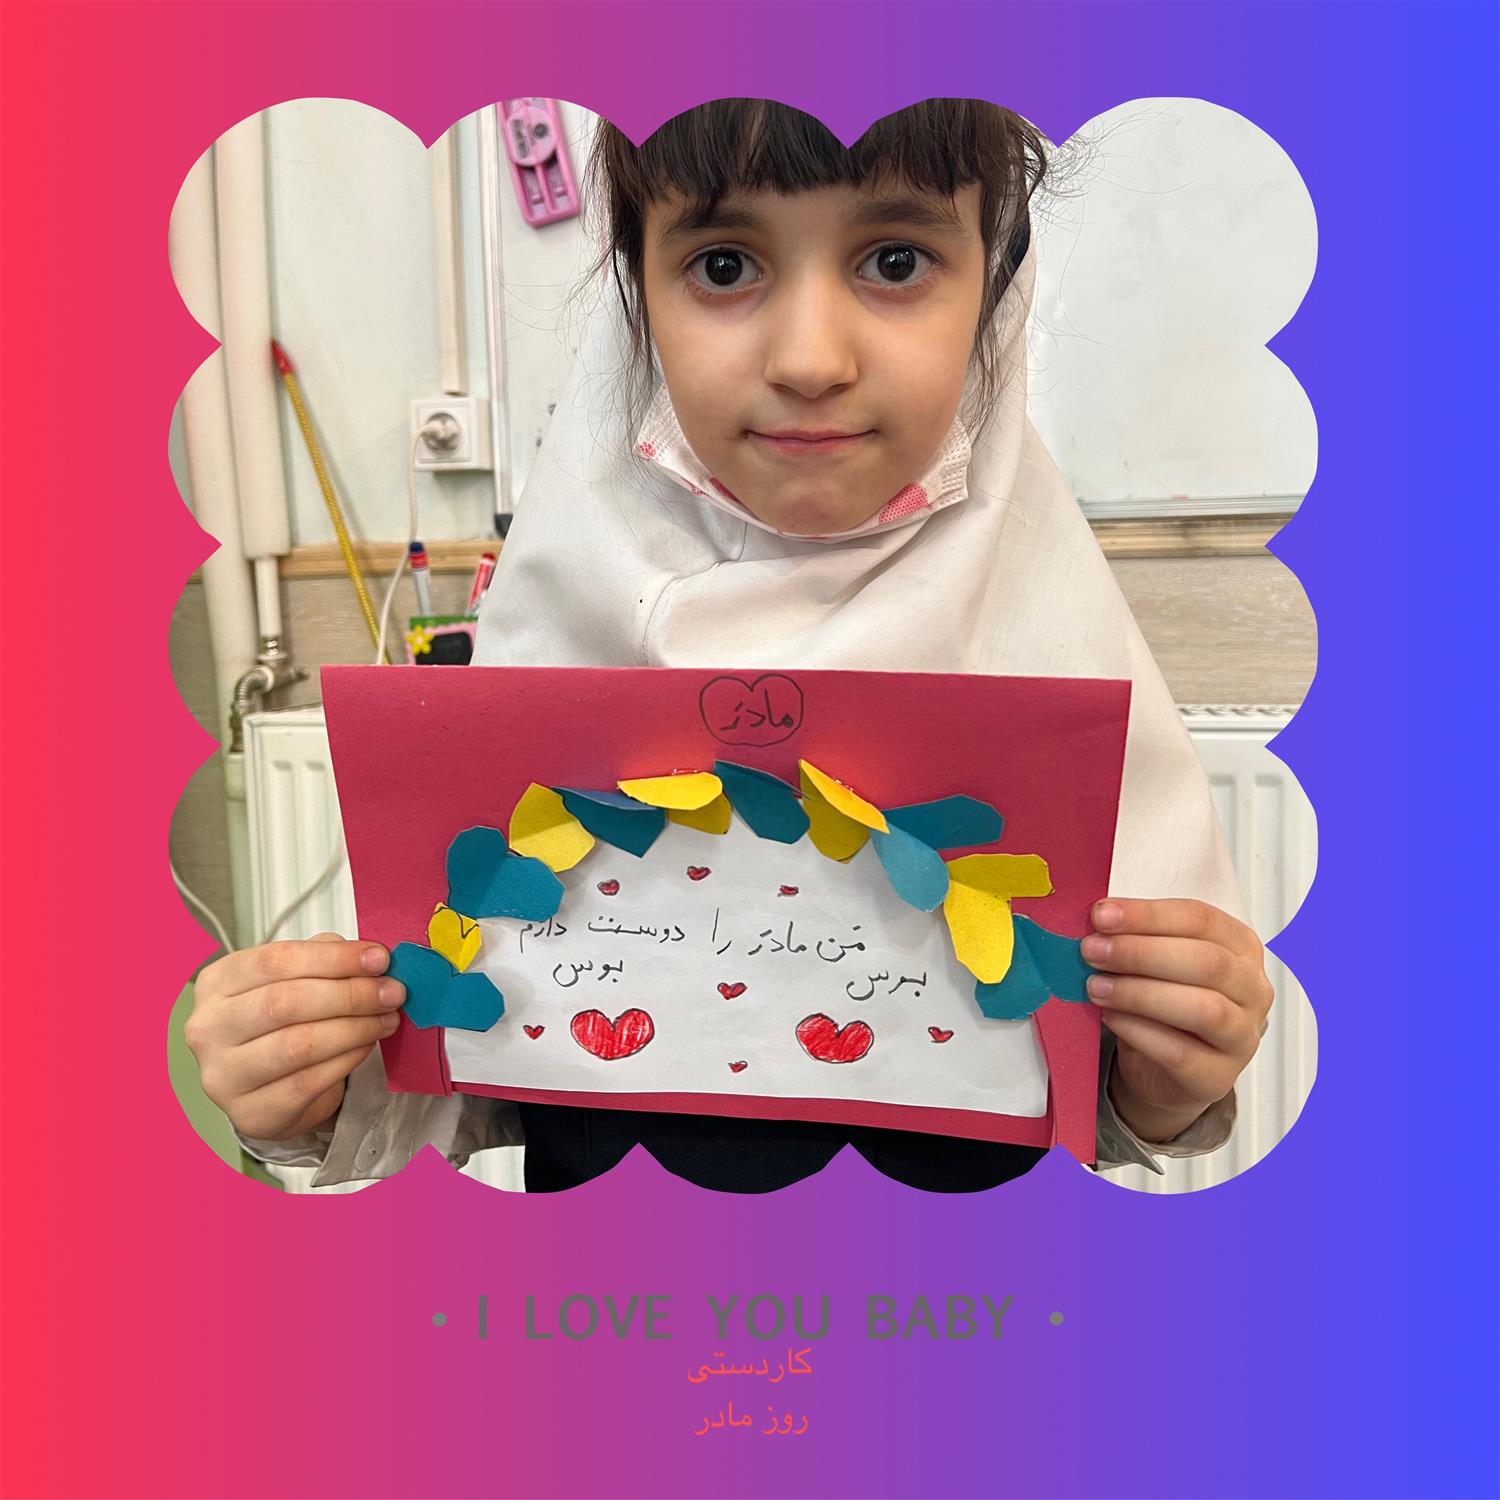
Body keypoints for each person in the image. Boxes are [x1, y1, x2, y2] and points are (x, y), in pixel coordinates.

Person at [188, 99, 1273, 1194]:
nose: (810, 359)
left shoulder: (1053, 628)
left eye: (896, 261)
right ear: (640, 299)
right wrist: (301, 1078)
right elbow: (456, 1064)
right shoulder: (554, 621)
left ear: (994, 288)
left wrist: (1167, 1074)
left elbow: (1112, 1094)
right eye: (722, 266)